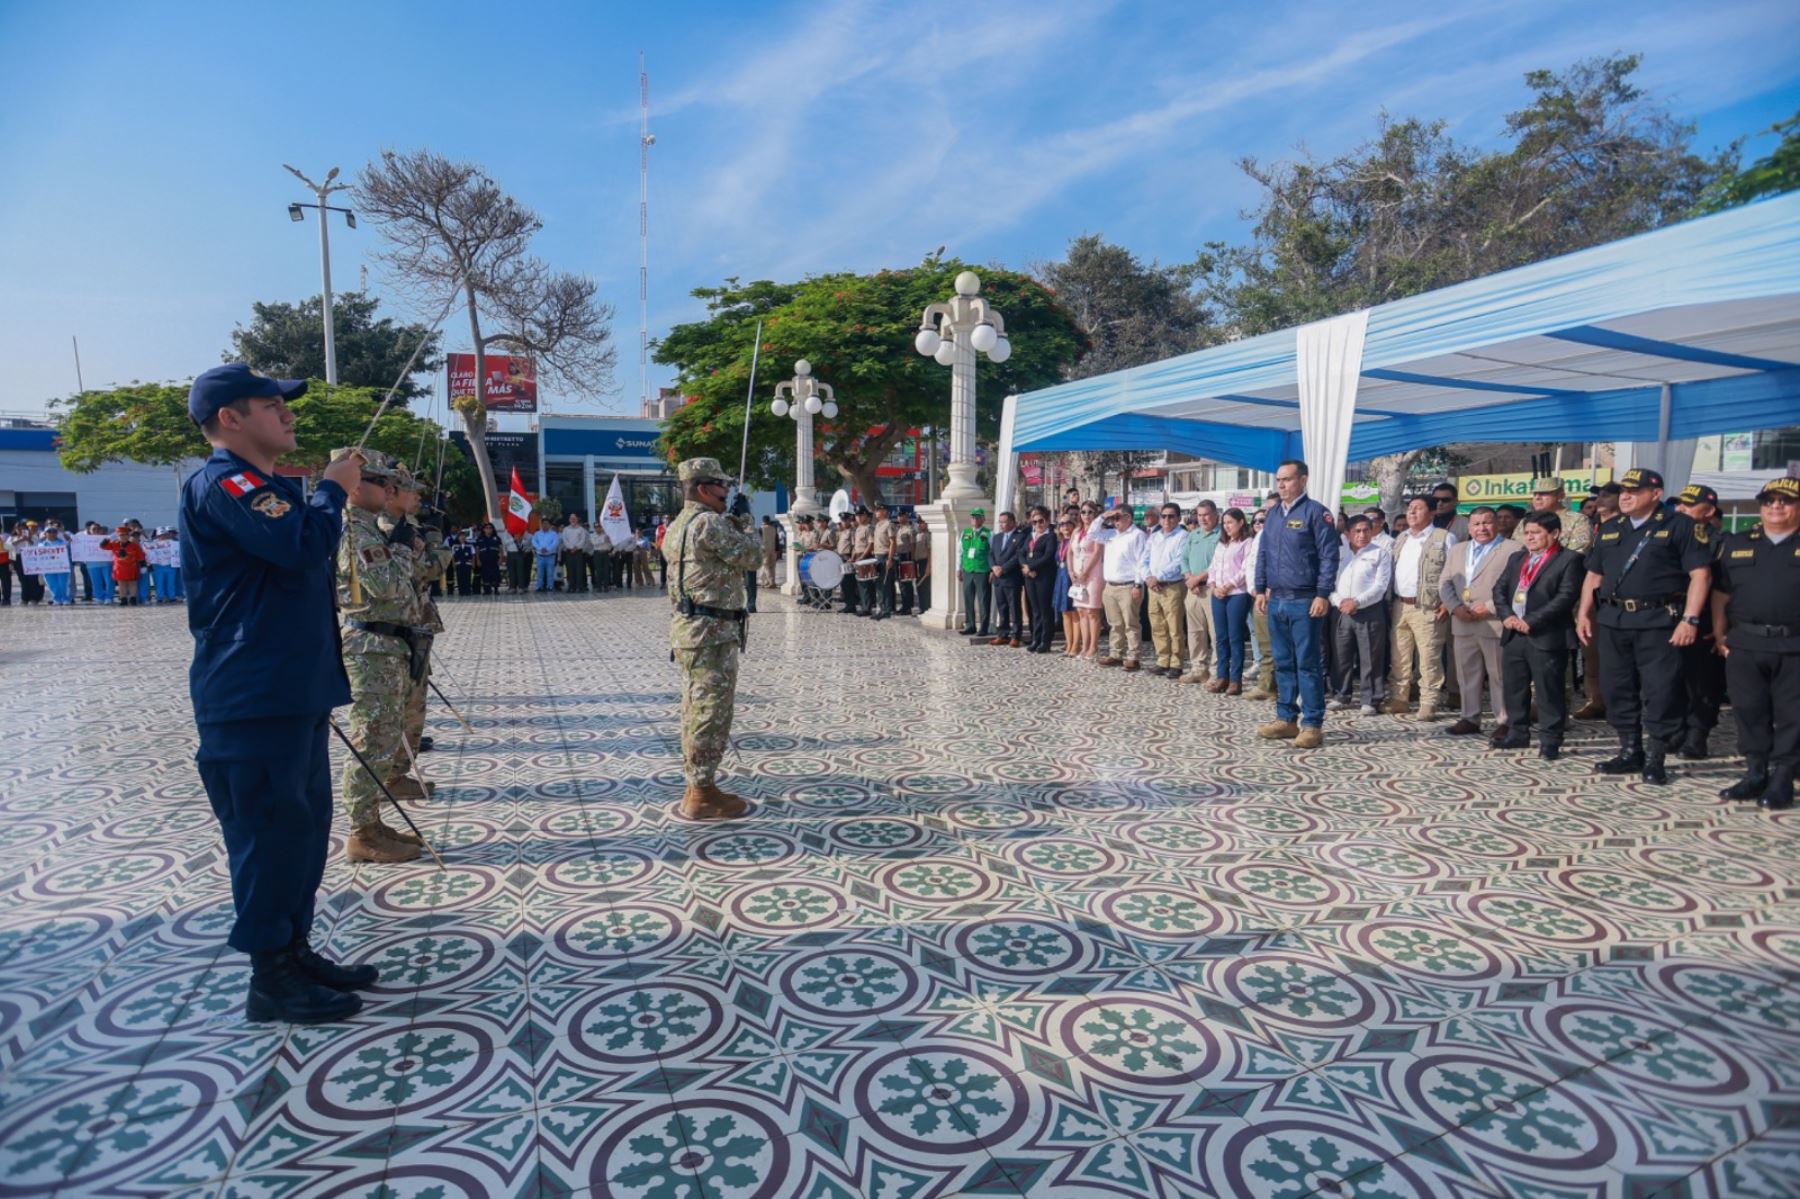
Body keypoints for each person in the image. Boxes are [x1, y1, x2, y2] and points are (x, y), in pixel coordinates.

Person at [179, 364, 376, 1024]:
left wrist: (320, 491)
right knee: (267, 835)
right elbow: (302, 546)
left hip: (286, 691)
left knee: (300, 830)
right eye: (272, 405)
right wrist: (332, 489)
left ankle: (294, 950)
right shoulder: (226, 481)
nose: (288, 415)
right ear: (230, 419)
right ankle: (271, 977)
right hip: (251, 694)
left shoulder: (264, 485)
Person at [1577, 468, 1713, 785]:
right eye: (1623, 490)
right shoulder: (1611, 528)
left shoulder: (1679, 525)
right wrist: (1584, 613)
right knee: (1616, 687)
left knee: (1660, 689)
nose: (1625, 495)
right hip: (1613, 620)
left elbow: (1700, 575)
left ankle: (1656, 756)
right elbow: (1593, 576)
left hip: (1658, 621)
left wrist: (1690, 618)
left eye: (1634, 491)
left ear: (1655, 494)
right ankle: (1629, 750)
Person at [335, 449, 427, 861]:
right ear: (356, 485)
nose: (390, 490)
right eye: (382, 482)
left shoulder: (369, 529)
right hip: (370, 646)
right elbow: (386, 588)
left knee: (384, 736)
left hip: (386, 645)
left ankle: (372, 822)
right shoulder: (355, 532)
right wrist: (405, 551)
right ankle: (362, 833)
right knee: (371, 740)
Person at [665, 458, 763, 820]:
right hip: (711, 632)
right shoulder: (707, 523)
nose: (728, 492)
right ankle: (701, 794)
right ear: (704, 489)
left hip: (694, 630)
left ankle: (698, 784)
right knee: (710, 711)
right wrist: (745, 520)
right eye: (722, 486)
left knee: (695, 709)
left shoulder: (680, 524)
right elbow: (753, 557)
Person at [1712, 476, 1800, 809]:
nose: (1776, 506)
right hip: (1745, 643)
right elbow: (1721, 594)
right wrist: (1720, 633)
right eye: (1769, 500)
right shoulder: (1737, 543)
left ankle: (1783, 776)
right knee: (1749, 710)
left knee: (1793, 714)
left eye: (1785, 500)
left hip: (1793, 644)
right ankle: (1755, 772)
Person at [1254, 459, 1338, 748]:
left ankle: (1312, 724)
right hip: (1276, 598)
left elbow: (1329, 556)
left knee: (1308, 663)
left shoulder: (1317, 513)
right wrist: (1260, 588)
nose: (1281, 485)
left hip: (1304, 600)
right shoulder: (1274, 514)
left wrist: (1322, 593)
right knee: (1283, 662)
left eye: (1287, 479)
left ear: (1303, 480)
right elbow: (1263, 553)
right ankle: (1286, 718)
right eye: (1279, 480)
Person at [1494, 511, 1585, 759]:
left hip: (1546, 636)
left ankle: (1550, 740)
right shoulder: (1517, 558)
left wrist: (1531, 621)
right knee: (1514, 688)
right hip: (1514, 634)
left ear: (1554, 534)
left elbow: (1565, 597)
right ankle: (1517, 733)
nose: (1530, 538)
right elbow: (1499, 590)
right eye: (1527, 533)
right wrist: (1507, 617)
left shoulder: (1569, 559)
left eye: (1536, 533)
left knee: (1548, 690)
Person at [1440, 506, 1522, 737]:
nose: (1481, 528)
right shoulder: (1458, 550)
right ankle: (1469, 717)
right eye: (1476, 524)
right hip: (1463, 621)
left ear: (1496, 524)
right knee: (1466, 673)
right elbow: (1444, 583)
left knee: (1499, 675)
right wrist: (1455, 607)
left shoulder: (1513, 549)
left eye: (1486, 523)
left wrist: (1489, 607)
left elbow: (1518, 585)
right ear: (1469, 527)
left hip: (1494, 622)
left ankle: (1505, 720)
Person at [1384, 496, 1456, 719]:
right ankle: (1400, 698)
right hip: (1399, 604)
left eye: (1418, 508)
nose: (1412, 512)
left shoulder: (1444, 537)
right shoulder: (1402, 538)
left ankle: (1428, 701)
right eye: (1410, 508)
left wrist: (1447, 602)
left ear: (1432, 513)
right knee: (1400, 656)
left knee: (1429, 657)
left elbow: (1453, 572)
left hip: (1428, 606)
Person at [1672, 483, 1726, 758]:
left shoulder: (1720, 543)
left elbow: (1726, 588)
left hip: (1704, 621)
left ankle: (1697, 734)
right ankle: (1678, 729)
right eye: (1680, 503)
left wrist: (1721, 626)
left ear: (1709, 511)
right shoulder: (1670, 536)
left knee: (1703, 682)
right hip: (1669, 618)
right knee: (1673, 679)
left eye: (1689, 504)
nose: (1681, 508)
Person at [1327, 515, 1393, 715]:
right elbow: (1329, 582)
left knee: (1370, 656)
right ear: (1347, 533)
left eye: (1366, 530)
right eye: (1357, 531)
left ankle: (1370, 699)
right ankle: (1341, 694)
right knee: (1341, 655)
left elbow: (1381, 586)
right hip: (1340, 611)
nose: (1362, 535)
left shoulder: (1380, 554)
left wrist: (1357, 602)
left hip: (1369, 611)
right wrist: (1340, 602)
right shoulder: (1339, 553)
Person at [1208, 508, 1255, 694]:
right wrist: (1213, 586)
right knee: (1221, 638)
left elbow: (1245, 569)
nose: (1227, 526)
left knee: (1235, 637)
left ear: (1241, 522)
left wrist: (1228, 586)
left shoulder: (1247, 542)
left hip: (1236, 593)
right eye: (1225, 523)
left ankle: (1236, 680)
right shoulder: (1221, 543)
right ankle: (1222, 676)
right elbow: (1212, 567)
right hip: (1218, 594)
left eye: (1231, 522)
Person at [1098, 505, 1149, 671]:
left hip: (1128, 586)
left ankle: (1133, 656)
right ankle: (1116, 654)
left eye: (1117, 517)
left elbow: (1141, 561)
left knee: (1131, 623)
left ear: (1129, 517)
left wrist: (1138, 584)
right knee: (1115, 623)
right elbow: (1092, 533)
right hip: (1110, 586)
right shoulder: (1111, 534)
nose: (1114, 521)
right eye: (1113, 518)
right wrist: (1103, 516)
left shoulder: (1137, 535)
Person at [1140, 502, 1188, 678]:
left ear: (1178, 518)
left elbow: (1179, 562)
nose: (1166, 519)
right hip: (1153, 588)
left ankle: (1176, 663)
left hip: (1171, 587)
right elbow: (1144, 559)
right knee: (1157, 625)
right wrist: (1148, 578)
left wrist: (1157, 577)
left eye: (1171, 516)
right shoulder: (1154, 536)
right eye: (1164, 516)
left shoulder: (1183, 536)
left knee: (1174, 626)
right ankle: (1162, 659)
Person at [1179, 501, 1221, 684]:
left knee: (1216, 633)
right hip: (1193, 589)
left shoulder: (1222, 534)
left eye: (1206, 514)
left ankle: (1216, 671)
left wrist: (1198, 578)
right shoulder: (1193, 534)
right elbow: (1184, 558)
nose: (1202, 518)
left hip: (1212, 588)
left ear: (1215, 515)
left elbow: (1219, 563)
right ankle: (1198, 668)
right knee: (1195, 631)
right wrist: (1189, 579)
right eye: (1199, 514)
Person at [1067, 502, 1106, 661]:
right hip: (1077, 574)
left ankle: (1093, 647)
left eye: (1090, 512)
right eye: (1083, 512)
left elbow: (1097, 553)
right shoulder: (1077, 531)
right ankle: (1084, 645)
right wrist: (1071, 571)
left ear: (1095, 515)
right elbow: (1070, 552)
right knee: (1081, 611)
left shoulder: (1098, 532)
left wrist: (1086, 572)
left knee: (1092, 611)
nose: (1086, 515)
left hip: (1093, 574)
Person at [1021, 506, 1058, 653]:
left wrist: (1031, 567)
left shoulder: (1050, 536)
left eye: (1040, 521)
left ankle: (1045, 640)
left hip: (1043, 577)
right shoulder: (1030, 536)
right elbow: (1021, 553)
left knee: (1045, 610)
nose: (1037, 525)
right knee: (1034, 610)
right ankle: (1035, 638)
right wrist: (1025, 567)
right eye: (1034, 522)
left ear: (1047, 521)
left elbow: (1048, 556)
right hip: (1030, 578)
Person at [989, 511, 1025, 646]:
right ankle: (1003, 634)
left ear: (1012, 522)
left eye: (1004, 522)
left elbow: (1017, 557)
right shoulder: (997, 537)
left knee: (1014, 607)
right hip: (998, 579)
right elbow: (991, 554)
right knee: (1001, 607)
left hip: (1011, 577)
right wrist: (993, 567)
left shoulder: (1020, 537)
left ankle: (1016, 635)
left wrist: (1003, 568)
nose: (1002, 525)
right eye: (1000, 522)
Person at [102, 525, 148, 605]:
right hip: (119, 568)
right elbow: (103, 546)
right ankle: (123, 599)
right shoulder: (114, 544)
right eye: (121, 535)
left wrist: (143, 565)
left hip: (131, 568)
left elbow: (140, 555)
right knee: (121, 584)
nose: (123, 537)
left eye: (126, 534)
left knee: (132, 583)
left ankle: (132, 598)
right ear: (118, 536)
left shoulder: (134, 545)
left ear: (128, 535)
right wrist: (107, 539)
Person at [561, 513, 591, 593]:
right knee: (570, 569)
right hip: (569, 552)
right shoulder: (566, 529)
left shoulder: (581, 529)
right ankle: (571, 587)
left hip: (578, 552)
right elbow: (565, 540)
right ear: (569, 520)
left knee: (579, 569)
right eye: (571, 518)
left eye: (574, 518)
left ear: (577, 519)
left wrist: (576, 547)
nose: (573, 520)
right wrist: (571, 547)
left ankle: (579, 587)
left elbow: (583, 540)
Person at [530, 522, 560, 592]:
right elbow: (534, 541)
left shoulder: (553, 534)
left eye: (546, 524)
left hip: (550, 556)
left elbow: (555, 543)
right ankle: (539, 586)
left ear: (549, 525)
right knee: (540, 572)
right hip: (540, 556)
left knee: (550, 572)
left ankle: (550, 586)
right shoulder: (537, 533)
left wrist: (548, 549)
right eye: (543, 524)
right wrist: (540, 548)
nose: (544, 525)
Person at [474, 522, 503, 595]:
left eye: (490, 528)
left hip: (494, 560)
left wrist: (501, 558)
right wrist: (478, 560)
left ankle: (496, 589)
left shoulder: (496, 538)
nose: (489, 530)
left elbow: (501, 549)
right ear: (484, 530)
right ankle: (487, 590)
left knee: (495, 574)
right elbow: (477, 551)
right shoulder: (480, 539)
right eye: (487, 528)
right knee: (485, 575)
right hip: (484, 560)